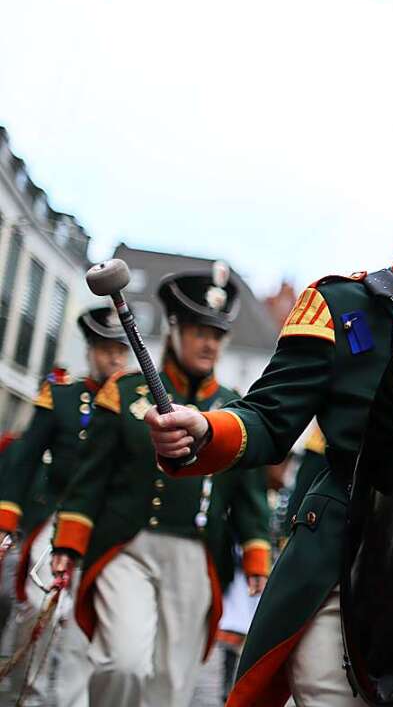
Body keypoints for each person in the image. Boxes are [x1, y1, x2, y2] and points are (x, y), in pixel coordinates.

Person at [145, 78, 393, 707]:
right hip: (340, 551)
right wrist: (203, 431)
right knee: (325, 693)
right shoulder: (341, 304)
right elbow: (270, 419)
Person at [49, 266, 272, 707]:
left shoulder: (232, 407)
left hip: (196, 553)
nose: (210, 343)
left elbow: (247, 491)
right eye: (198, 330)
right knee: (123, 662)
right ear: (173, 329)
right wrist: (68, 545)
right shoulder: (124, 390)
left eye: (218, 334)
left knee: (171, 685)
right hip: (125, 545)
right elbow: (89, 479)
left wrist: (256, 550)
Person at [0, 307, 129, 707]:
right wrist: (7, 519)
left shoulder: (135, 406)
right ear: (90, 350)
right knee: (37, 609)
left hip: (105, 526)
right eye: (106, 350)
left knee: (85, 625)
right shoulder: (62, 396)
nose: (114, 359)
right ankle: (27, 693)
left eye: (119, 351)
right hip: (56, 518)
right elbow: (24, 459)